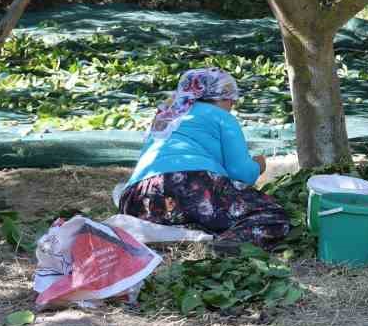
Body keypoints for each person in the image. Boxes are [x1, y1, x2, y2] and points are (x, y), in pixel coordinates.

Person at [117, 67, 292, 253]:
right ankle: (225, 245)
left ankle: (174, 234)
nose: (232, 105)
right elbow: (241, 174)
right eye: (231, 99)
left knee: (197, 213)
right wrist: (259, 165)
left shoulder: (167, 115)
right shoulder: (221, 117)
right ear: (222, 98)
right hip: (191, 184)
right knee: (272, 216)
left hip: (136, 198)